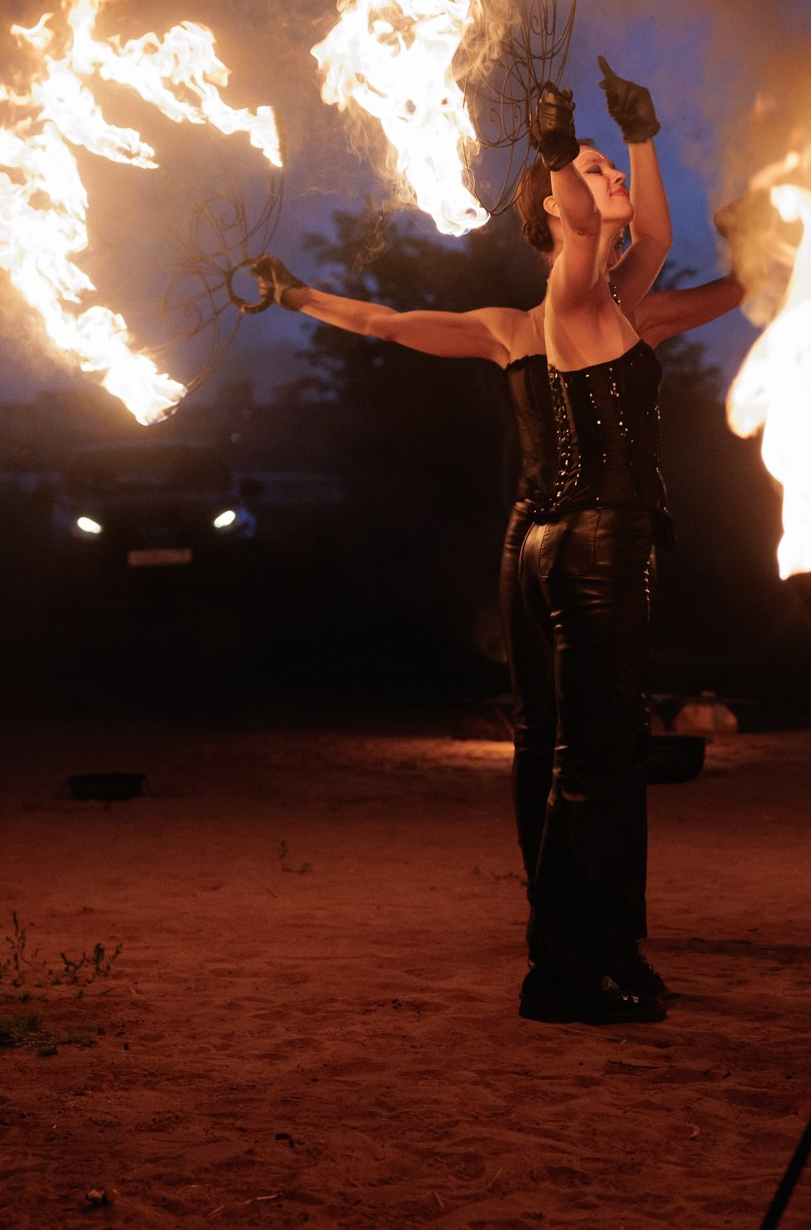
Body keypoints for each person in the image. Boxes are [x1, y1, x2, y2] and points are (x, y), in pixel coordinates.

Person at [252, 65, 742, 956]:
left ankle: (583, 914)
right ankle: (564, 917)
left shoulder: (609, 298)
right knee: (557, 733)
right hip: (563, 535)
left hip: (555, 534)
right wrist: (301, 295)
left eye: (603, 169)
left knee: (574, 735)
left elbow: (654, 233)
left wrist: (639, 138)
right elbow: (389, 323)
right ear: (554, 210)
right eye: (593, 176)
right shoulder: (543, 308)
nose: (610, 184)